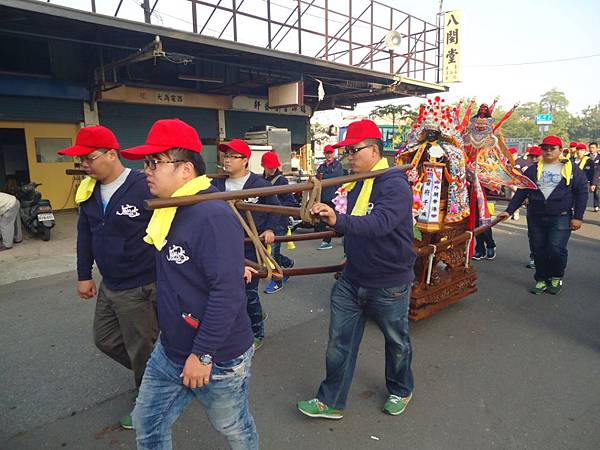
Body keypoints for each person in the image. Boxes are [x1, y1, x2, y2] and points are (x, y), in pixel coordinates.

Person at [121, 119, 258, 450]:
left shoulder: (210, 215)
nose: (146, 171)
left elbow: (227, 293)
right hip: (171, 348)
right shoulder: (169, 209)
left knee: (232, 426)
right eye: (145, 163)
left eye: (155, 163)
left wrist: (203, 354)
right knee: (147, 422)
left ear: (185, 169)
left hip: (217, 355)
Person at [297, 119, 416, 419]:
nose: (348, 156)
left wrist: (338, 220)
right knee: (339, 342)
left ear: (374, 150)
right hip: (352, 278)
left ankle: (401, 389)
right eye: (347, 151)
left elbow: (379, 224)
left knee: (396, 342)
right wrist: (328, 218)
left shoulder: (394, 183)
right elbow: (351, 225)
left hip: (389, 282)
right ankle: (331, 400)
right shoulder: (355, 182)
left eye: (353, 150)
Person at [57, 126, 158, 429]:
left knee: (141, 348)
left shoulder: (143, 186)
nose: (84, 166)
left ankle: (150, 397)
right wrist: (83, 274)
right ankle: (162, 374)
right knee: (105, 340)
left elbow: (172, 229)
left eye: (88, 159)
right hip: (109, 283)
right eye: (81, 161)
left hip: (140, 284)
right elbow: (85, 234)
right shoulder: (88, 190)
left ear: (112, 154)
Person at [212, 139, 279, 350]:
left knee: (248, 294)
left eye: (233, 156)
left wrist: (270, 229)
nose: (227, 160)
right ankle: (234, 328)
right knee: (226, 291)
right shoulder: (216, 185)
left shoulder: (261, 185)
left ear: (245, 160)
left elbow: (275, 209)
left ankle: (257, 331)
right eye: (226, 156)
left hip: (249, 248)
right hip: (221, 248)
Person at [499, 135, 588, 295]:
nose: (548, 151)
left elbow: (581, 193)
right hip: (536, 216)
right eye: (545, 148)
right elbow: (522, 191)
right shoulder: (533, 169)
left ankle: (556, 276)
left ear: (560, 150)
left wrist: (578, 217)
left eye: (552, 148)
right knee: (538, 249)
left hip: (561, 216)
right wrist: (508, 211)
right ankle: (541, 279)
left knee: (555, 249)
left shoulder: (572, 169)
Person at [261, 150, 296, 294]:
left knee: (273, 253)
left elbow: (291, 201)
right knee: (267, 251)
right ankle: (287, 263)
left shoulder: (281, 180)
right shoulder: (260, 180)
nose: (272, 169)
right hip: (264, 221)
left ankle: (277, 281)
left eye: (273, 166)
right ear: (263, 165)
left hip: (279, 222)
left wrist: (276, 206)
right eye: (269, 166)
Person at [315, 144, 343, 250]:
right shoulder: (321, 167)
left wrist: (323, 177)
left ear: (334, 153)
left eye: (331, 152)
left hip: (335, 197)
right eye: (327, 153)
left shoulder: (338, 165)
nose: (329, 155)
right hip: (323, 196)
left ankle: (327, 240)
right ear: (324, 154)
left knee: (333, 218)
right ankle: (330, 238)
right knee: (324, 219)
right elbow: (318, 178)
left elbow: (336, 176)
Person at [589, 142, 600, 211]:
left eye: (593, 148)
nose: (591, 149)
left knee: (597, 192)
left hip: (598, 177)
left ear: (597, 148)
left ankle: (596, 205)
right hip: (588, 177)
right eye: (590, 148)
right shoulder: (586, 157)